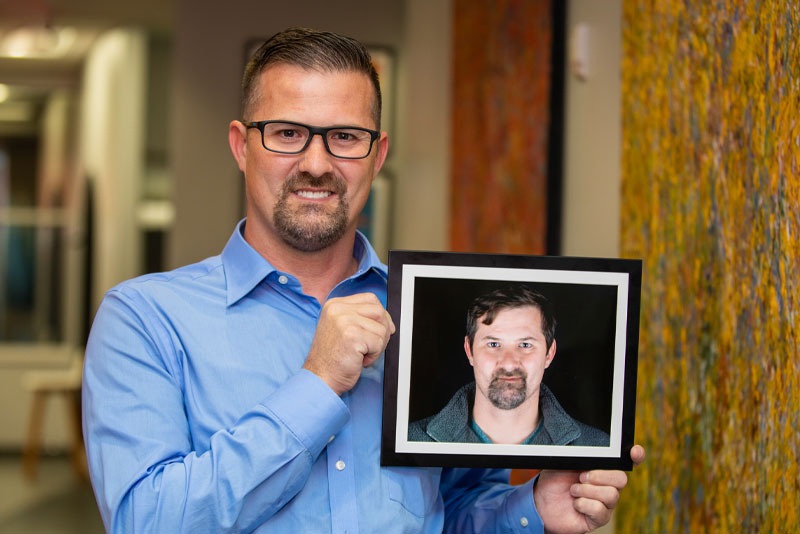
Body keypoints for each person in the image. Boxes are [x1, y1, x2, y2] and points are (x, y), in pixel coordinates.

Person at [82, 27, 644, 533]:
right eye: (286, 133)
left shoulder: (429, 315)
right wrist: (318, 383)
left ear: (377, 156)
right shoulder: (145, 319)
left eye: (345, 137)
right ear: (240, 146)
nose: (317, 163)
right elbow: (144, 522)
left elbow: (458, 513)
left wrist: (530, 511)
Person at [408, 287, 609, 445]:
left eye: (525, 345)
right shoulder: (412, 440)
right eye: (493, 344)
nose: (509, 362)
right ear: (469, 350)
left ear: (549, 353)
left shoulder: (597, 447)